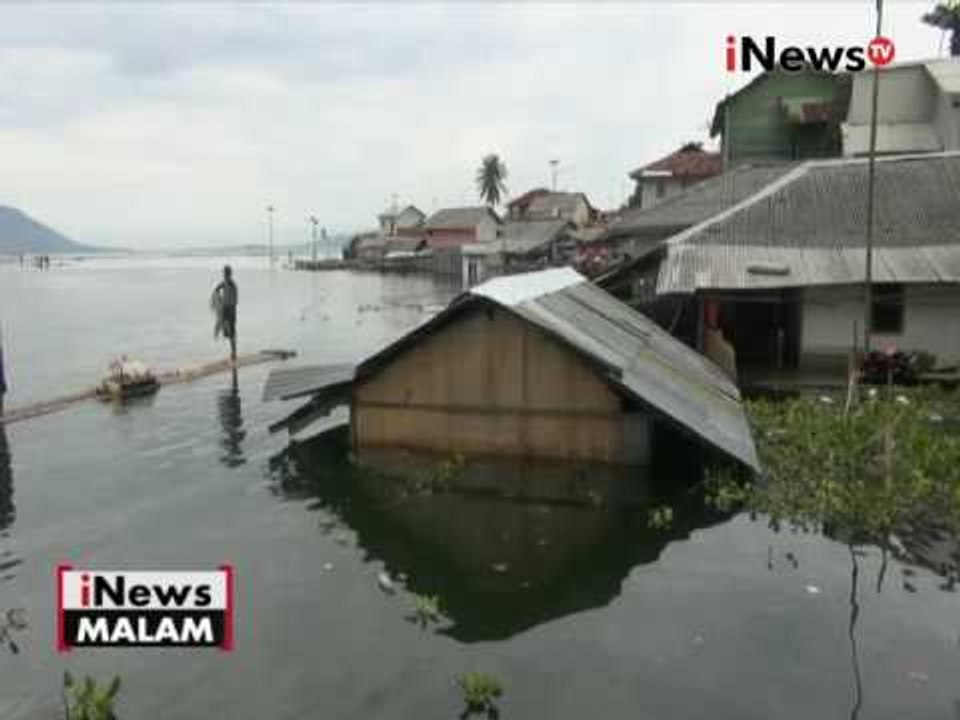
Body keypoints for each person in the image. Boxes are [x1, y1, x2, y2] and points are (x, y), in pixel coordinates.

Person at [211, 265, 239, 362]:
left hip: (230, 310)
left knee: (231, 333)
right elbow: (217, 289)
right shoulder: (225, 283)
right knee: (227, 332)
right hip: (225, 310)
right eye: (224, 273)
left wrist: (228, 306)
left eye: (225, 273)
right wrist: (217, 297)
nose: (224, 275)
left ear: (229, 274)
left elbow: (235, 300)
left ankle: (234, 353)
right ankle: (233, 352)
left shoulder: (232, 284)